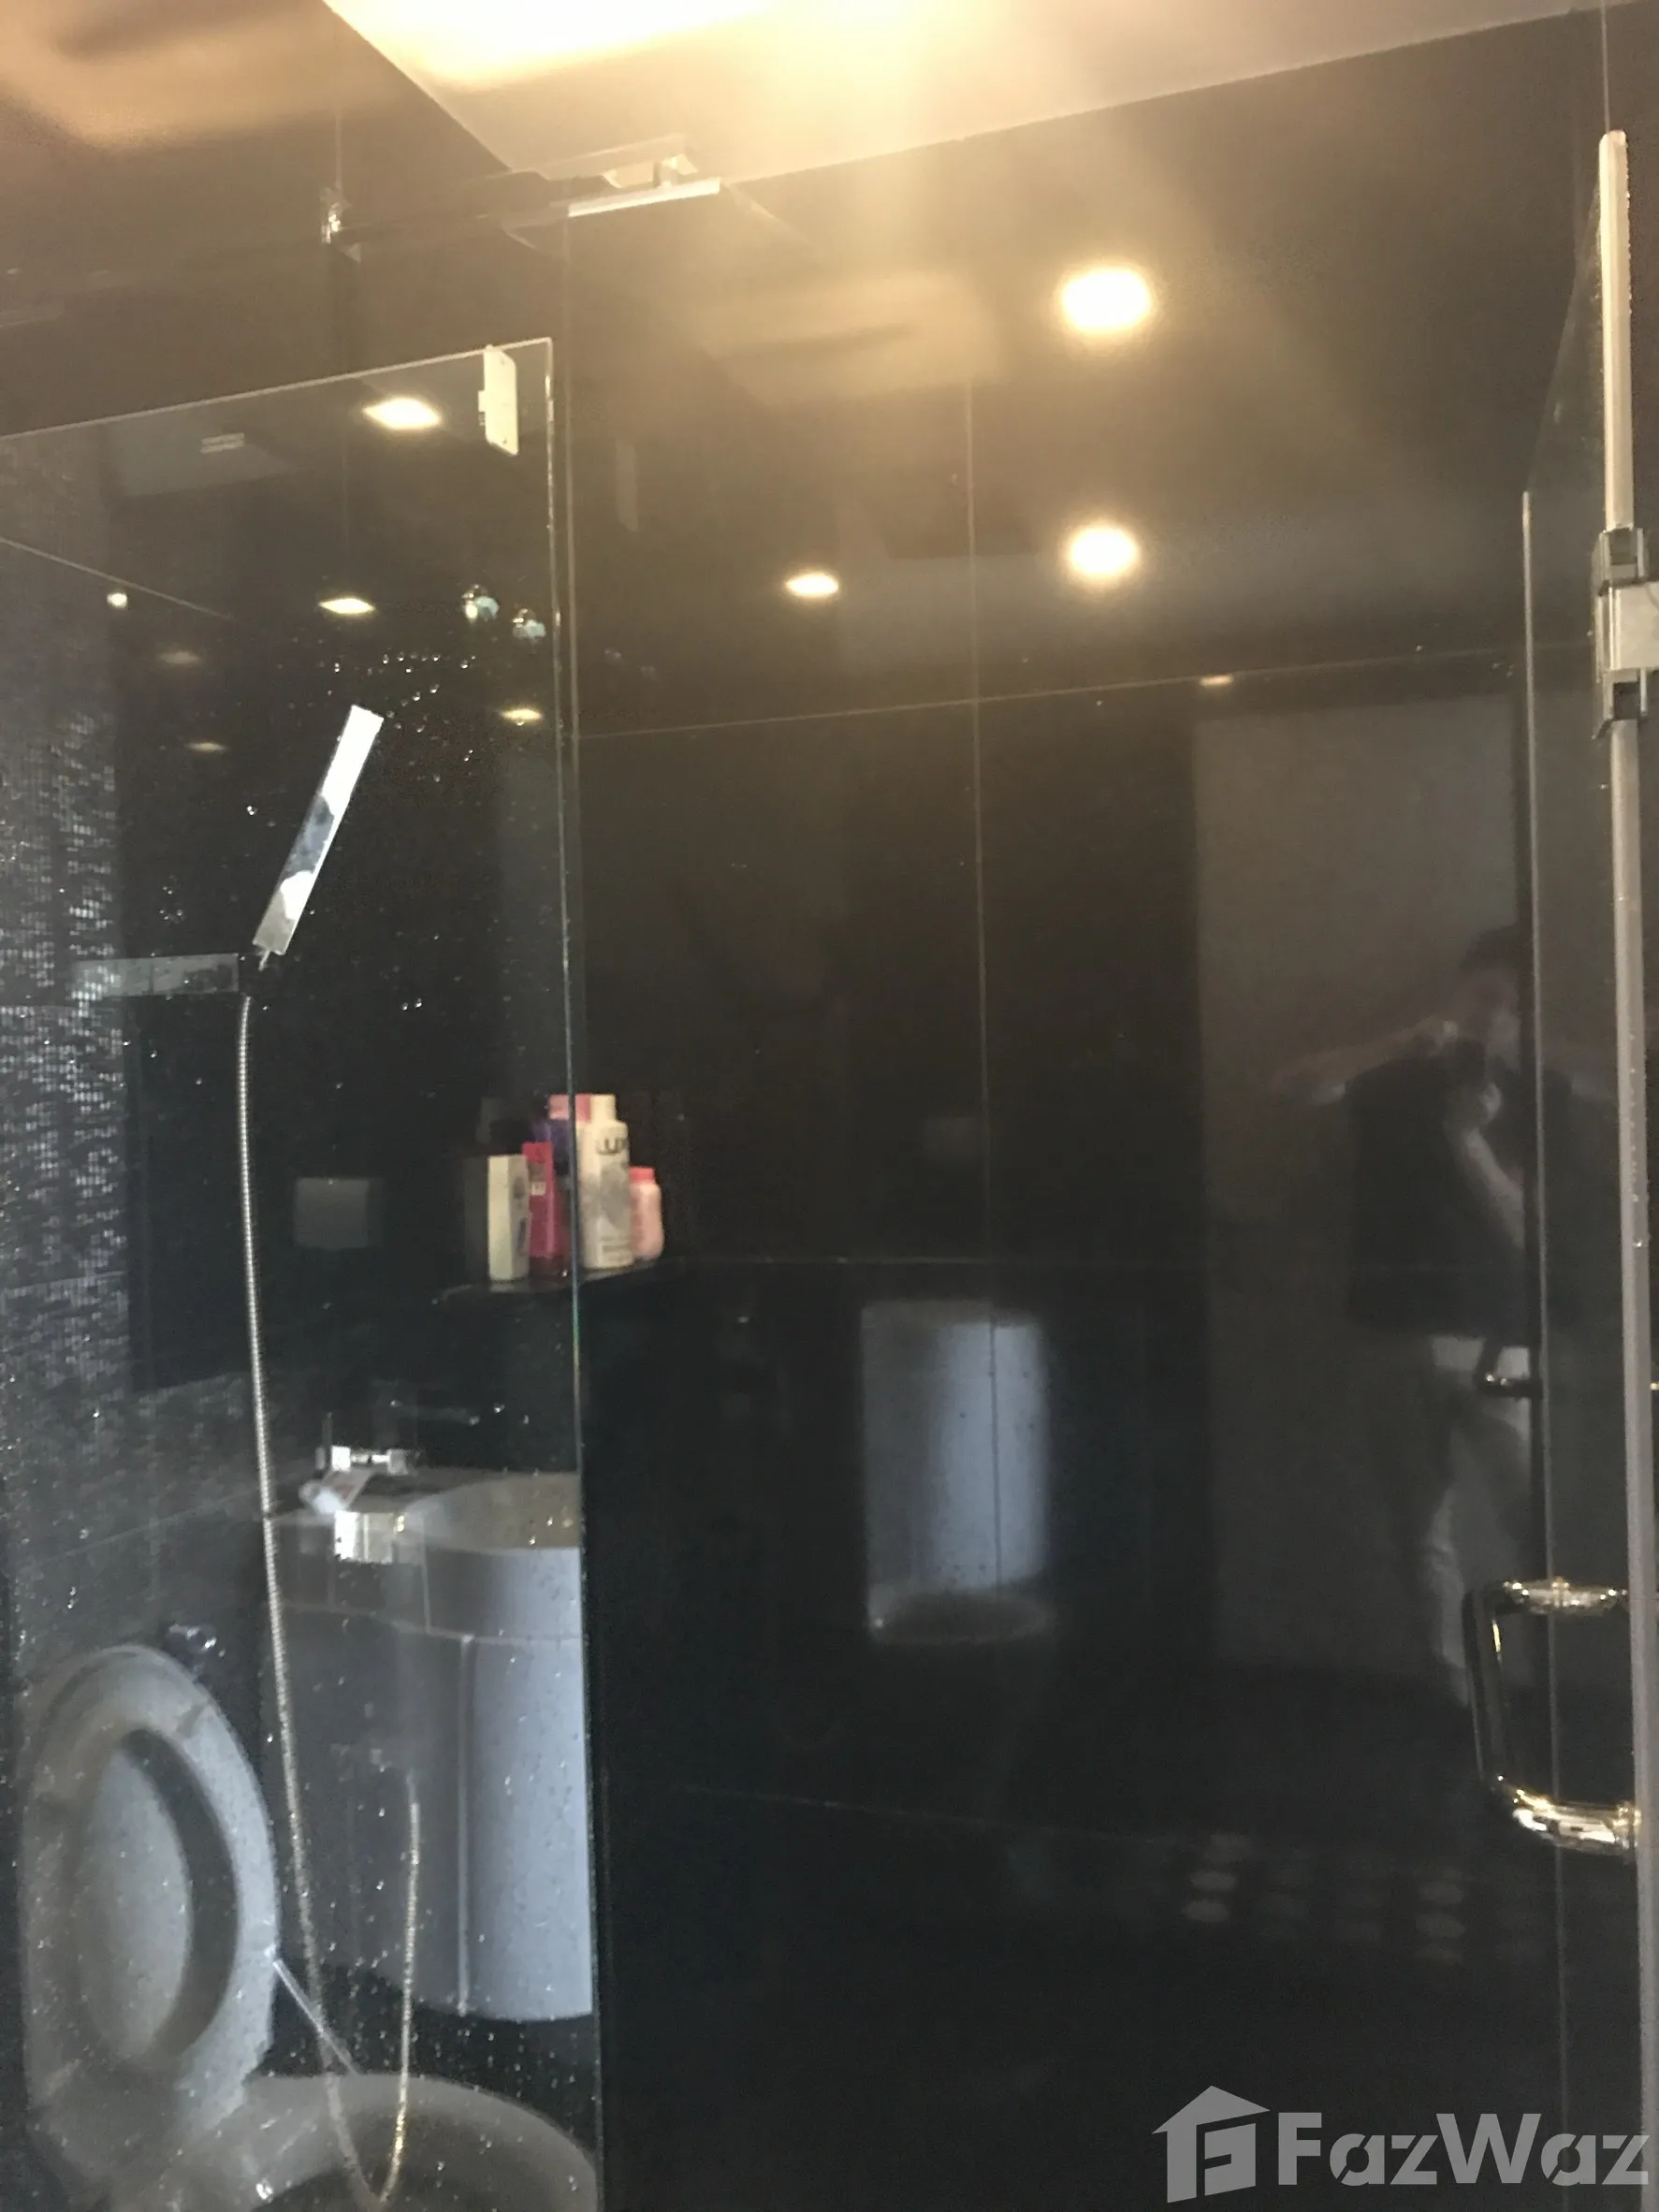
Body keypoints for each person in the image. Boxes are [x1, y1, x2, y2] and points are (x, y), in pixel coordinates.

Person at [1274, 925, 1544, 1705]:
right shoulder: (1390, 1074)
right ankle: (1454, 1696)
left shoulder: (1528, 1093)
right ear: (1456, 990)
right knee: (1418, 1531)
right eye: (1486, 995)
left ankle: (1546, 1689)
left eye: (1515, 1007)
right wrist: (1396, 1043)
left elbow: (1526, 1230)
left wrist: (1468, 1139)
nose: (1496, 1016)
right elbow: (1292, 1087)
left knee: (1537, 1523)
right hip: (1392, 1331)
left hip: (1496, 1338)